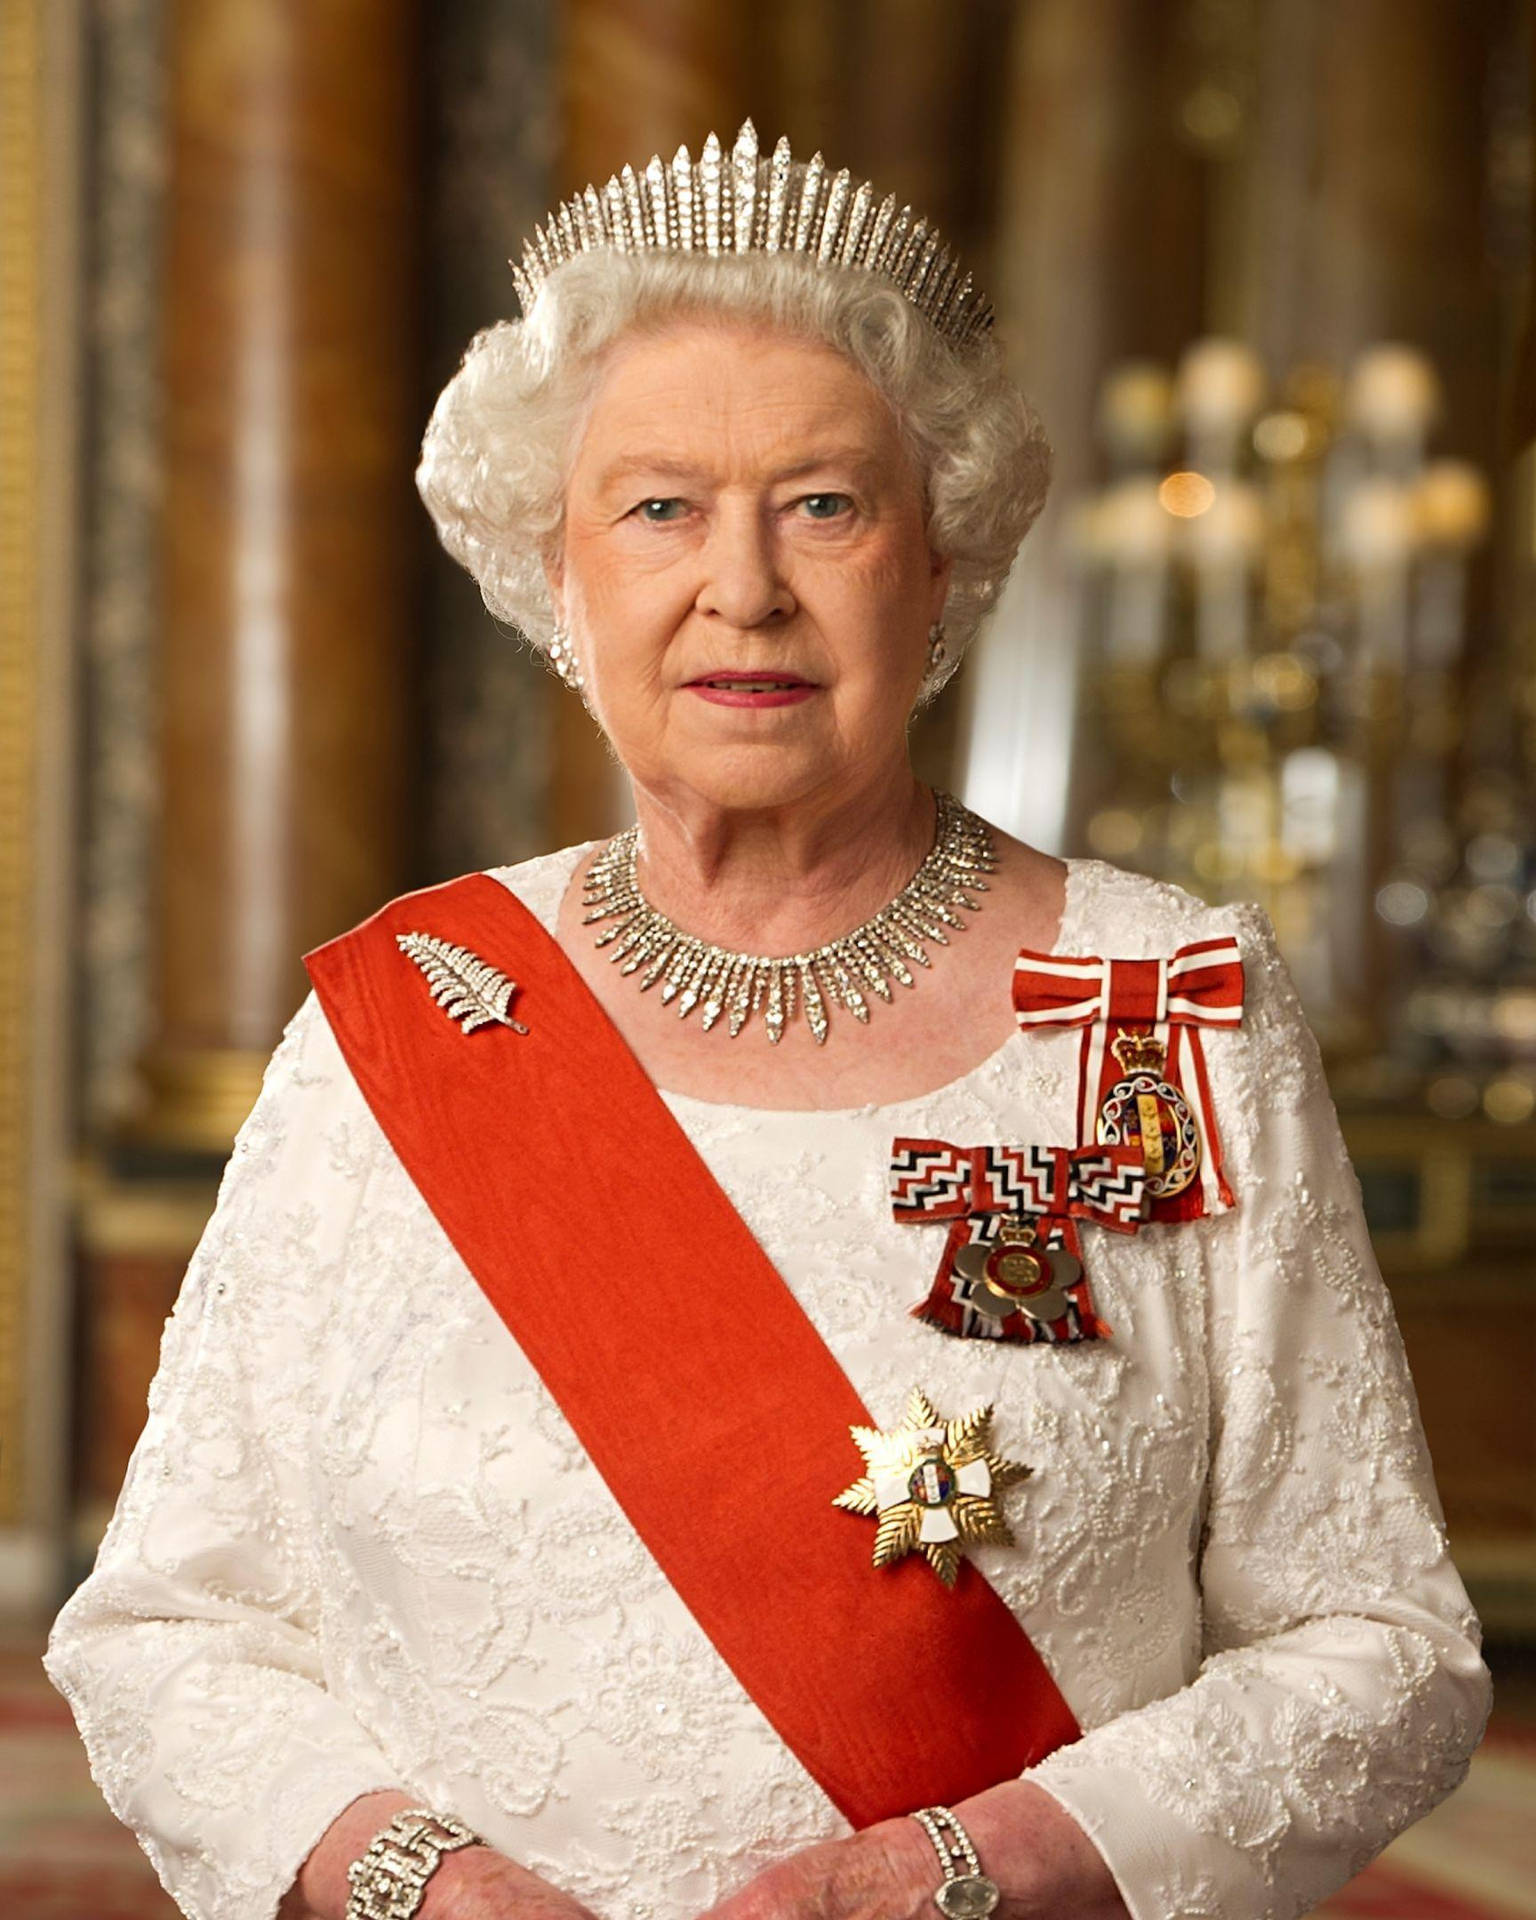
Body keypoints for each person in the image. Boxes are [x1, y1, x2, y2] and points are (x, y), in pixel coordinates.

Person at [47, 124, 1489, 1920]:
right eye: (660, 508)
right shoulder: (404, 1021)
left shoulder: (1162, 1005)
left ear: (941, 565)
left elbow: (1380, 1644)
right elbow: (170, 1623)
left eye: (825, 502)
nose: (744, 587)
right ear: (558, 582)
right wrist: (420, 1887)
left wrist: (975, 1870)